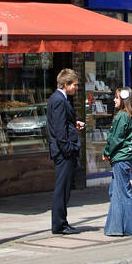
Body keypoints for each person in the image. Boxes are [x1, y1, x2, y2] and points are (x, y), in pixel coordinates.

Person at [47, 68, 84, 235]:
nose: (76, 88)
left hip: (64, 150)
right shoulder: (59, 101)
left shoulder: (59, 99)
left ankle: (62, 222)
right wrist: (68, 148)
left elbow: (62, 124)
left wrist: (74, 124)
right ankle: (59, 224)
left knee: (65, 188)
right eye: (75, 85)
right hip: (63, 152)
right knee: (62, 189)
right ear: (66, 84)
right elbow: (59, 130)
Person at [101, 87, 132, 237]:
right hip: (128, 158)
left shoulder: (122, 116)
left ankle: (129, 228)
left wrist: (106, 152)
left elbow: (115, 138)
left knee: (123, 193)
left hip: (121, 159)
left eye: (116, 98)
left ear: (123, 100)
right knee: (115, 192)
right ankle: (114, 227)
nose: (114, 100)